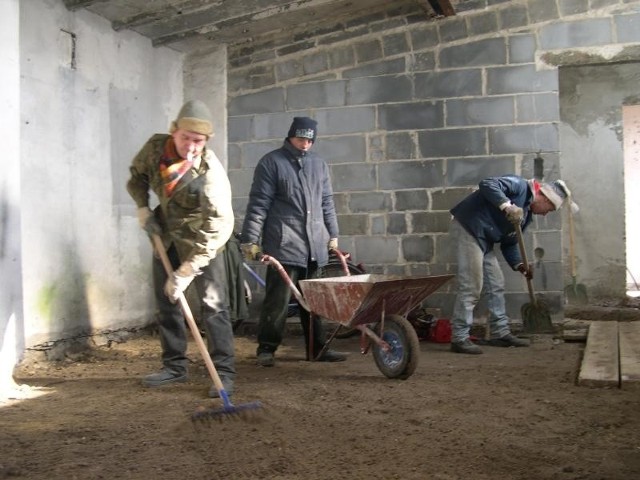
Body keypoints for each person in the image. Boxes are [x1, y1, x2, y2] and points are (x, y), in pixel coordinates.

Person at [126, 100, 236, 397]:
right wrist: (143, 208)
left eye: (198, 141)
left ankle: (223, 373)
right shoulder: (155, 149)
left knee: (213, 305)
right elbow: (137, 177)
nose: (190, 146)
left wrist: (187, 270)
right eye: (185, 137)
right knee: (166, 302)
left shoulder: (210, 173)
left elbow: (219, 226)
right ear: (174, 131)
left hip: (203, 242)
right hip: (165, 235)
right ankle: (174, 366)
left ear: (206, 141)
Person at [240, 116, 346, 367]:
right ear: (290, 137)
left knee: (315, 300)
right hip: (284, 244)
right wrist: (250, 240)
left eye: (309, 140)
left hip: (315, 245)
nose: (305, 144)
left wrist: (332, 234)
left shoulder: (319, 165)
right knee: (278, 301)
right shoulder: (271, 163)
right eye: (301, 139)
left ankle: (317, 349)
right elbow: (258, 204)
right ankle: (266, 349)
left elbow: (327, 201)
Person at [449, 175, 577, 354]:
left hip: (485, 239)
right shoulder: (519, 186)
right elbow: (487, 183)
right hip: (469, 228)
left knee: (496, 284)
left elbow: (510, 242)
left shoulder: (526, 216)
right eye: (549, 209)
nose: (546, 213)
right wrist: (506, 205)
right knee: (471, 286)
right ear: (544, 198)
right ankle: (459, 338)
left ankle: (499, 333)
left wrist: (519, 264)